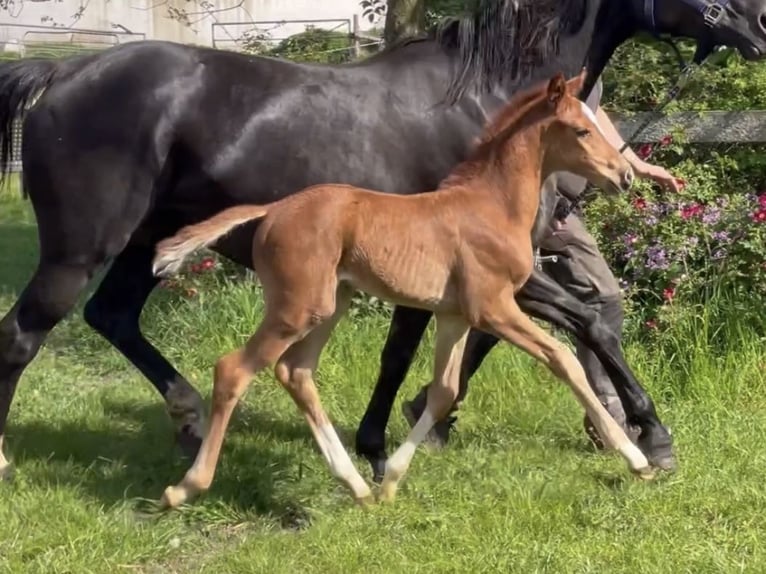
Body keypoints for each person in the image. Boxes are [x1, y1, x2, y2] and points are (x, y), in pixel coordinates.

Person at [402, 77, 683, 450]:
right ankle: (611, 414)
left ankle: (431, 408)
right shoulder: (541, 62)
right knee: (601, 296)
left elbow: (591, 113)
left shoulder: (584, 68)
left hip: (551, 209)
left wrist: (634, 163)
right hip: (530, 211)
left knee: (496, 310)